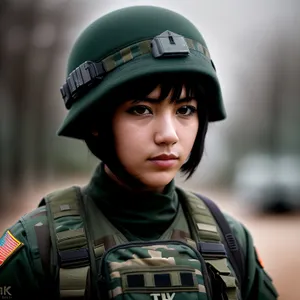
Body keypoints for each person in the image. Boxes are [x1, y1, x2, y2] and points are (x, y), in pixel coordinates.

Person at [0, 5, 278, 300]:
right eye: (142, 109)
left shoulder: (231, 241)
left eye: (185, 110)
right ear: (97, 121)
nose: (168, 135)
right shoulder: (36, 246)